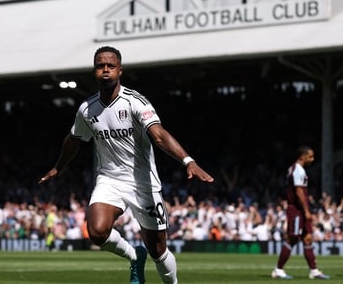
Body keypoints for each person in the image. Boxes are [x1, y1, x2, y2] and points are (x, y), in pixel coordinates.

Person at [38, 46, 214, 284]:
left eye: (111, 66)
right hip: (109, 179)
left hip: (144, 183)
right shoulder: (87, 109)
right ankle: (134, 256)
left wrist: (188, 161)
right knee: (97, 231)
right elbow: (74, 140)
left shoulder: (135, 102)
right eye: (101, 66)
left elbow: (159, 135)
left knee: (159, 251)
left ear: (120, 70)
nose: (106, 70)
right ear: (94, 71)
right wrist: (59, 167)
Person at [271, 146, 330, 280]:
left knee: (307, 238)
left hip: (300, 209)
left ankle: (314, 271)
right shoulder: (298, 170)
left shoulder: (295, 169)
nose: (312, 159)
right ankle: (278, 270)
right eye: (310, 156)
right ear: (302, 156)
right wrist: (306, 211)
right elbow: (298, 192)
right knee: (292, 238)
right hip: (296, 210)